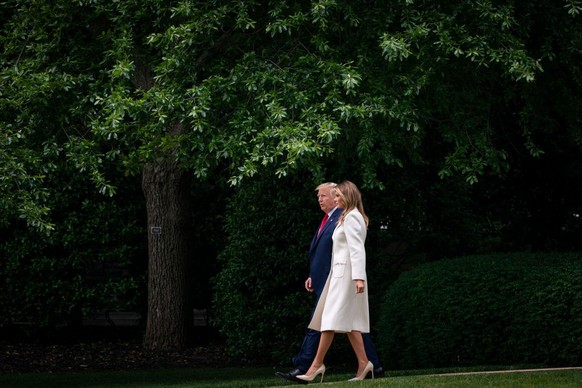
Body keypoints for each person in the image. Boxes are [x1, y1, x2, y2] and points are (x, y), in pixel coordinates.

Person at [276, 181, 382, 384]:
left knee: (329, 321)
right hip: (339, 275)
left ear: (348, 196)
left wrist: (359, 278)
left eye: (339, 196)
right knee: (350, 325)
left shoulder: (352, 217)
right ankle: (364, 363)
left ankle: (316, 365)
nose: (336, 199)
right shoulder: (346, 217)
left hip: (347, 277)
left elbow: (357, 250)